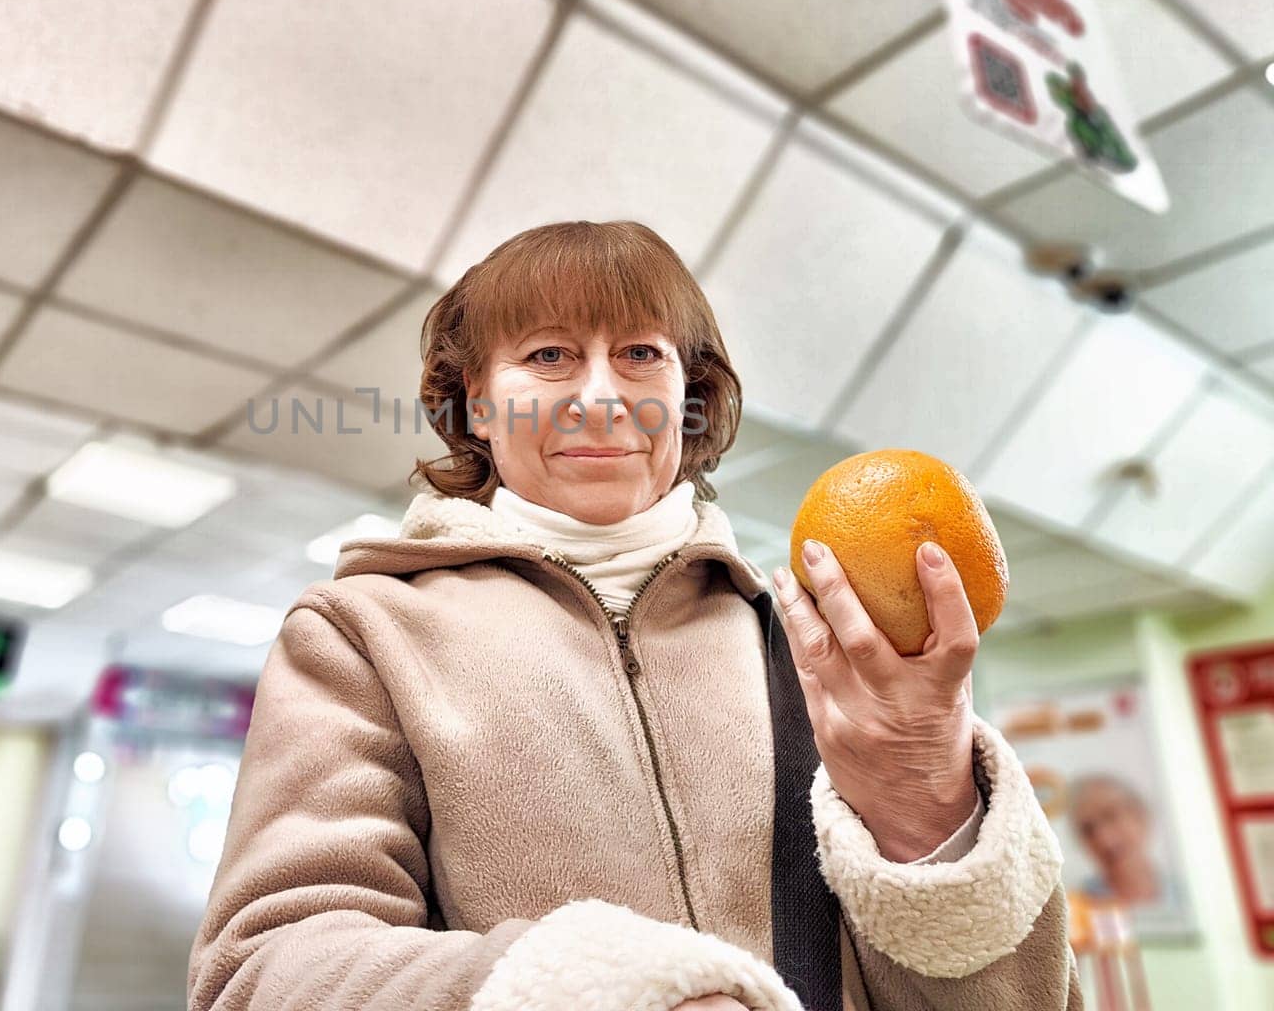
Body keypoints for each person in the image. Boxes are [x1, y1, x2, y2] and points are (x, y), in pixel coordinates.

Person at [188, 221, 1081, 1010]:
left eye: (641, 354)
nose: (603, 396)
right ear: (475, 405)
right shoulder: (362, 636)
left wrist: (930, 808)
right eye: (547, 356)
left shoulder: (806, 641)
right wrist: (595, 992)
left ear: (688, 397)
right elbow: (265, 971)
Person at [1068, 773, 1163, 906]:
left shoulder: (1190, 890)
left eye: (1110, 816)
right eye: (1088, 829)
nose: (1104, 839)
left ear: (1140, 815)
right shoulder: (1077, 907)